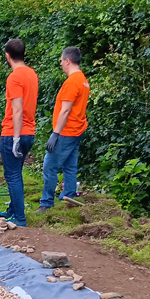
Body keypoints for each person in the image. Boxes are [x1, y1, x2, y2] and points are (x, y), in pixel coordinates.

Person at [36, 46, 90, 213]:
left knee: (50, 166)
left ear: (67, 60)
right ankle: (69, 197)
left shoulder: (73, 82)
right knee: (70, 166)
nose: (60, 64)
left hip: (67, 131)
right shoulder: (83, 79)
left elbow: (65, 110)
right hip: (77, 130)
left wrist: (55, 133)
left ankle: (46, 203)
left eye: (61, 61)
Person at [0, 39, 38, 226]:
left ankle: (19, 218)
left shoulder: (14, 78)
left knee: (12, 175)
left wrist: (14, 138)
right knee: (17, 172)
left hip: (14, 132)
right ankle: (13, 210)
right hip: (29, 131)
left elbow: (17, 109)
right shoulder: (31, 74)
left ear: (8, 56)